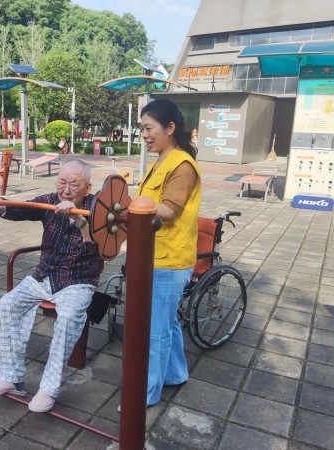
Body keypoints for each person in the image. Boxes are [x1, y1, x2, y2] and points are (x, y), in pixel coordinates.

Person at [0, 159, 100, 413]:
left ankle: (48, 388)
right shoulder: (50, 200)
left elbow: (100, 250)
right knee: (9, 303)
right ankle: (11, 377)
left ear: (87, 188)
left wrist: (80, 221)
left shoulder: (97, 207)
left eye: (73, 184)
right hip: (45, 275)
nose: (66, 189)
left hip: (78, 280)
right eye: (62, 182)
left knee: (67, 319)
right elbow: (12, 209)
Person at [137, 99, 201, 407]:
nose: (144, 135)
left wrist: (128, 214)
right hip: (154, 255)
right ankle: (175, 374)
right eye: (142, 129)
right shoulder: (161, 160)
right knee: (167, 324)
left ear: (170, 128)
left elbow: (168, 210)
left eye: (149, 128)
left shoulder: (182, 164)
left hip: (170, 260)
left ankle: (146, 394)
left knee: (156, 332)